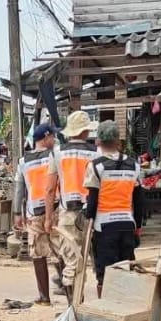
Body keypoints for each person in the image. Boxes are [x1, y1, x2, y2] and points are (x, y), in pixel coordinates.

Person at [83, 120, 144, 298]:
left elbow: (92, 200)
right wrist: (137, 226)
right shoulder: (134, 165)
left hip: (104, 226)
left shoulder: (95, 166)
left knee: (104, 273)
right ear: (119, 141)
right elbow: (139, 200)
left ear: (98, 142)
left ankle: (106, 306)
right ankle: (124, 304)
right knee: (125, 268)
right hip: (127, 224)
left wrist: (89, 222)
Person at [45, 111, 96, 301]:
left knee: (71, 263)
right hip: (92, 214)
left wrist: (49, 218)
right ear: (85, 132)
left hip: (68, 214)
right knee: (93, 261)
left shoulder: (57, 154)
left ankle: (74, 306)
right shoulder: (96, 153)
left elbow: (50, 189)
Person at [15, 122, 60, 304]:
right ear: (46, 137)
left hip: (34, 211)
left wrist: (17, 213)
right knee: (60, 251)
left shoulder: (23, 161)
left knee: (38, 254)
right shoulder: (55, 155)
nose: (55, 139)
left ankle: (44, 296)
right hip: (56, 209)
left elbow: (19, 189)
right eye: (53, 136)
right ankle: (69, 291)